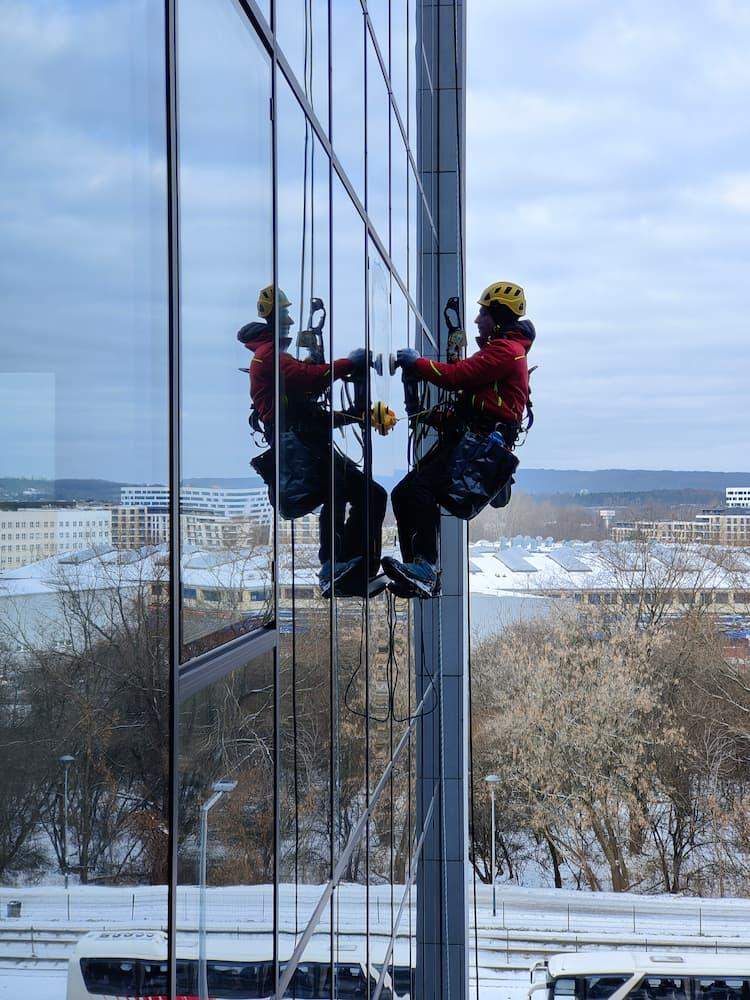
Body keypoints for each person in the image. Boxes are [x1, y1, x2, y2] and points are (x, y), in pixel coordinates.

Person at [382, 281, 535, 598]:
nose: (478, 321)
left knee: (420, 489)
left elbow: (455, 378)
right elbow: (468, 405)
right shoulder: (503, 352)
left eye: (482, 313)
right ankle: (419, 571)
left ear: (497, 315)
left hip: (477, 448)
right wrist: (425, 415)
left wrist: (416, 363)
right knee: (402, 494)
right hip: (471, 441)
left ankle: (425, 570)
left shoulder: (506, 352)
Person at [238, 285, 387, 598]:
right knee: (357, 493)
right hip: (301, 448)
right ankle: (339, 566)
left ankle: (343, 567)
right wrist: (351, 364)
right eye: (285, 315)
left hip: (305, 445)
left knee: (357, 493)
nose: (290, 322)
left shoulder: (276, 359)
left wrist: (356, 417)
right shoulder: (269, 358)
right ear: (272, 319)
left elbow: (311, 407)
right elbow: (310, 378)